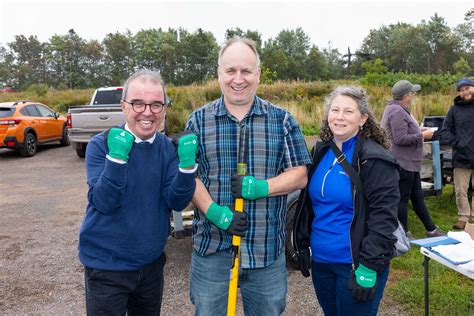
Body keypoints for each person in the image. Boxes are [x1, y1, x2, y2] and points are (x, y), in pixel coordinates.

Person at [185, 37, 312, 315]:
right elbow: (189, 177)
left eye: (246, 71)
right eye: (230, 71)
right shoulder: (198, 121)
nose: (238, 79)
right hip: (212, 250)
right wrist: (214, 211)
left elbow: (300, 174)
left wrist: (261, 187)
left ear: (258, 74)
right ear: (219, 73)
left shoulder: (282, 120)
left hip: (266, 251)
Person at [78, 70, 198, 315]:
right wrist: (117, 158)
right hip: (106, 266)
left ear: (164, 109)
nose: (147, 112)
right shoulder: (102, 144)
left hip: (150, 265)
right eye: (138, 103)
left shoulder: (166, 148)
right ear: (124, 106)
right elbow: (105, 202)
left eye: (156, 104)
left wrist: (187, 168)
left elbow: (176, 200)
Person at [294, 86, 399, 315]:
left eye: (348, 112)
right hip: (321, 262)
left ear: (363, 119)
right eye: (335, 110)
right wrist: (302, 243)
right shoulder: (320, 150)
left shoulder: (374, 159)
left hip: (355, 264)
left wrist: (370, 265)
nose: (339, 117)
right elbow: (309, 205)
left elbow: (384, 217)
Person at [381, 80, 445, 237]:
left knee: (417, 197)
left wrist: (419, 129)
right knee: (402, 200)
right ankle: (404, 234)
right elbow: (400, 139)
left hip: (410, 163)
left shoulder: (399, 109)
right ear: (405, 95)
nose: (413, 95)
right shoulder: (397, 111)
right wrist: (423, 135)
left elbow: (405, 131)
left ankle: (431, 229)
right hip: (403, 162)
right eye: (412, 93)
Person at [440, 77, 474, 230]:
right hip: (462, 157)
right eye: (461, 90)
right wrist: (458, 144)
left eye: (467, 88)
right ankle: (463, 217)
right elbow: (445, 131)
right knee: (460, 190)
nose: (464, 92)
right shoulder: (454, 110)